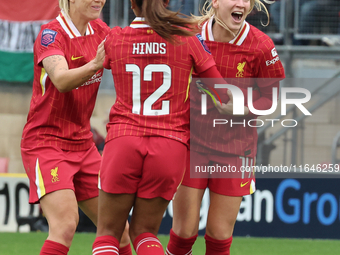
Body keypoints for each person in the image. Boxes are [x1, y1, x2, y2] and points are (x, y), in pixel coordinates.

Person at [91, 0, 236, 254]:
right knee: (145, 234)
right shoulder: (188, 38)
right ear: (167, 2)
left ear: (132, 5)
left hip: (124, 140)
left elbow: (95, 65)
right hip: (169, 146)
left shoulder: (115, 38)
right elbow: (224, 94)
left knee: (108, 235)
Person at [166, 0, 285, 254]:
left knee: (219, 236)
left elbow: (272, 97)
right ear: (216, 2)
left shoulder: (261, 45)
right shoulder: (191, 34)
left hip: (235, 150)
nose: (241, 3)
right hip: (191, 145)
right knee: (184, 232)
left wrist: (242, 107)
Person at [20, 0, 131, 254]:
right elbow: (60, 79)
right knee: (66, 224)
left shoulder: (102, 32)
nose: (99, 0)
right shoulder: (51, 34)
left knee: (119, 229)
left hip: (83, 144)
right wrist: (94, 64)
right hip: (46, 143)